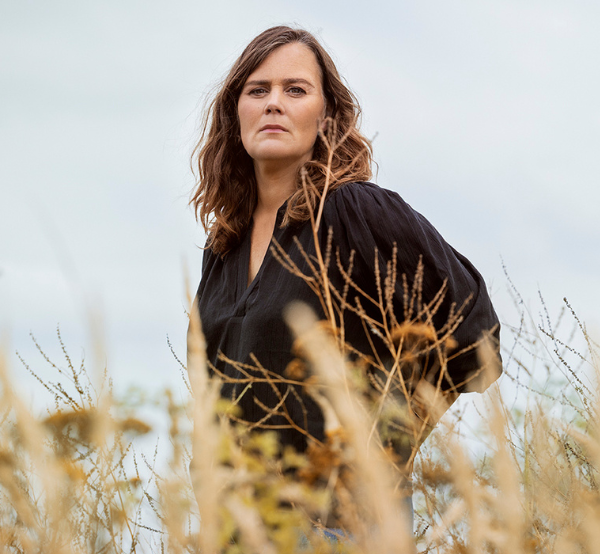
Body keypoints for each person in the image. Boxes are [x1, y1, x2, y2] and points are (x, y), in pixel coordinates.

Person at [189, 25, 501, 532]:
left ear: (326, 115)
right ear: (235, 111)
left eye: (295, 90)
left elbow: (473, 330)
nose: (274, 103)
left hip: (343, 527)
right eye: (257, 90)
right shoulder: (223, 246)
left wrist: (382, 449)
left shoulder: (355, 211)